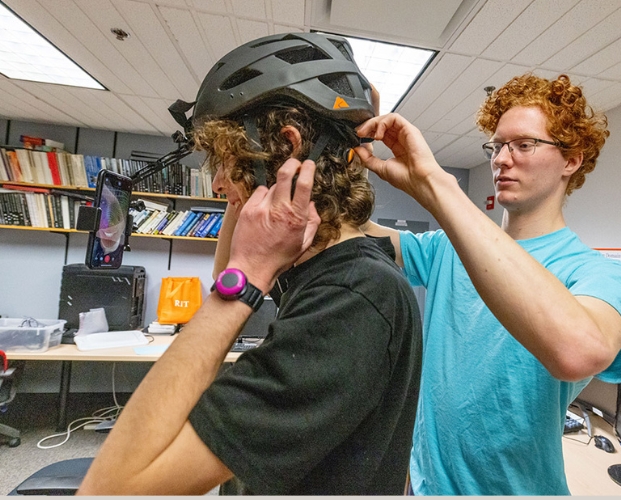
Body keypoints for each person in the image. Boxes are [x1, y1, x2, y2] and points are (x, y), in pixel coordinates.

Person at [78, 32, 422, 495]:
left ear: (288, 146)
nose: (218, 185)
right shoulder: (325, 265)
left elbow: (112, 489)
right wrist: (265, 179)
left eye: (223, 161)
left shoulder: (353, 296)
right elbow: (225, 273)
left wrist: (251, 271)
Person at [354, 73, 621, 495]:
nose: (502, 159)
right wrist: (344, 150)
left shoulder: (599, 274)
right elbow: (351, 234)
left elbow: (580, 350)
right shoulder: (447, 247)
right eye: (497, 146)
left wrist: (438, 187)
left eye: (524, 145)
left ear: (571, 160)